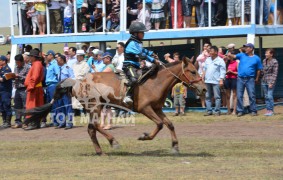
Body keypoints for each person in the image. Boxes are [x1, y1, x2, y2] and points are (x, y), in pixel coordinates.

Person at [122, 22, 158, 104]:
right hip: (129, 66)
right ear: (135, 33)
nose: (143, 34)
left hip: (136, 66)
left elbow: (144, 50)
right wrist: (153, 60)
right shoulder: (131, 43)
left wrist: (152, 53)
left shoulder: (137, 43)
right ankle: (127, 95)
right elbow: (141, 55)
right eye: (142, 32)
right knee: (134, 79)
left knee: (152, 70)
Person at [228, 43, 263, 117]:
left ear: (251, 49)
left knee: (251, 95)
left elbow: (259, 69)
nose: (245, 49)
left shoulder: (256, 58)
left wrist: (256, 78)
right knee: (239, 95)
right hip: (240, 78)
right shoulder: (242, 55)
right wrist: (229, 54)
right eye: (245, 47)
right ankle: (240, 111)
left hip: (250, 79)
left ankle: (253, 110)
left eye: (247, 47)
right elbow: (234, 56)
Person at [24, 49, 45, 130]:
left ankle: (33, 123)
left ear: (33, 57)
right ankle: (35, 123)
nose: (29, 58)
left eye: (30, 56)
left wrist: (30, 87)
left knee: (32, 106)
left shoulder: (36, 64)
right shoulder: (36, 64)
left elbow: (34, 77)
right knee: (36, 106)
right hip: (36, 87)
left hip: (34, 88)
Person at [203, 46, 226, 116]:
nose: (210, 52)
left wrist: (221, 80)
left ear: (216, 52)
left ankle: (217, 111)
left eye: (211, 51)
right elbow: (204, 69)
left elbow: (223, 71)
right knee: (207, 96)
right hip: (207, 81)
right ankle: (209, 110)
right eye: (209, 51)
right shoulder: (207, 60)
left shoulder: (220, 60)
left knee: (217, 97)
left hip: (216, 81)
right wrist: (202, 77)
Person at [56, 55, 74, 129]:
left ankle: (69, 123)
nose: (57, 61)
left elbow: (72, 79)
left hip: (66, 89)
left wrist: (65, 85)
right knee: (60, 106)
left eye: (58, 60)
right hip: (59, 90)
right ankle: (62, 122)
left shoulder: (67, 68)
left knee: (67, 106)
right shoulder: (59, 69)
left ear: (62, 60)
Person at [12, 54, 30, 128]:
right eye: (16, 62)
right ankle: (18, 121)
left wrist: (18, 76)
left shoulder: (27, 67)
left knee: (25, 105)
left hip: (24, 89)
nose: (17, 64)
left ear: (22, 61)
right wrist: (12, 77)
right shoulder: (16, 68)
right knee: (17, 106)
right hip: (17, 89)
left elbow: (28, 78)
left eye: (18, 62)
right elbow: (14, 76)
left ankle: (26, 122)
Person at [44, 50, 60, 128]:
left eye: (47, 55)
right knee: (51, 104)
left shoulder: (54, 64)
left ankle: (57, 121)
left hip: (53, 85)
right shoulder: (50, 65)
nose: (46, 57)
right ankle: (54, 120)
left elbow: (58, 75)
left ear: (51, 55)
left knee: (55, 104)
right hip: (49, 86)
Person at [100, 52, 115, 130]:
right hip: (104, 89)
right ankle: (102, 123)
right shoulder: (106, 66)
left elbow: (101, 74)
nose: (102, 59)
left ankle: (109, 124)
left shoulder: (110, 66)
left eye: (103, 58)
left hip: (109, 89)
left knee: (108, 107)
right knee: (103, 107)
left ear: (108, 59)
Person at [261, 48, 278, 116]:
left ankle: (271, 110)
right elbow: (263, 71)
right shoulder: (264, 60)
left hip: (270, 80)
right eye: (265, 53)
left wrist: (272, 82)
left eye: (267, 53)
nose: (266, 54)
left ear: (271, 54)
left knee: (270, 95)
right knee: (266, 96)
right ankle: (268, 110)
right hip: (264, 80)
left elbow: (275, 73)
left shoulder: (275, 62)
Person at [0, 56, 13, 128]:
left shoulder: (7, 69)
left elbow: (3, 79)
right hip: (1, 91)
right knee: (1, 106)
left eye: (0, 60)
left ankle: (8, 122)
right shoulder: (1, 69)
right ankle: (4, 121)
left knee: (6, 105)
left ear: (4, 61)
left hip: (6, 91)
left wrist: (1, 78)